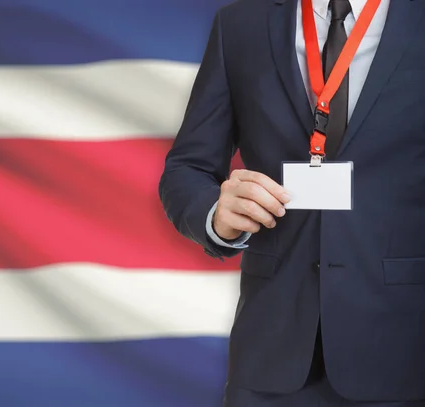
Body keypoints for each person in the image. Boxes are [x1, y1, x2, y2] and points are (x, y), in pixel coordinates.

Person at [158, 0, 425, 406]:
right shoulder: (240, 24)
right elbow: (187, 167)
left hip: (405, 352)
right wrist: (214, 214)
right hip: (271, 356)